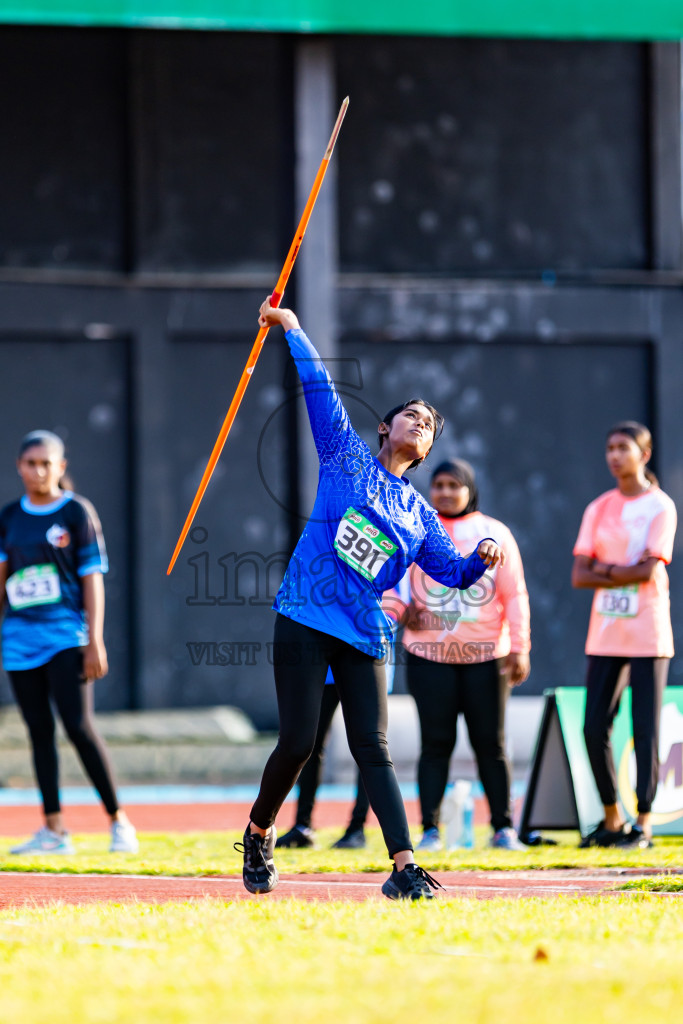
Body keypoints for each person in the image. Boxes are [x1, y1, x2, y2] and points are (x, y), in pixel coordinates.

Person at [234, 298, 505, 901]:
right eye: (410, 415)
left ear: (428, 448)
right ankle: (258, 833)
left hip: (362, 627)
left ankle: (404, 867)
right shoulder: (345, 454)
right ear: (385, 428)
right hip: (305, 610)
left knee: (373, 747)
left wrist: (481, 552)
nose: (419, 423)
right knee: (299, 742)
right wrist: (294, 329)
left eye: (428, 424)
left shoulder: (423, 518)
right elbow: (319, 386)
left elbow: (453, 572)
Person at [0, 430, 138, 855]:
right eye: (30, 463)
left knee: (78, 727)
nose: (38, 470)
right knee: (39, 731)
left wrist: (94, 640)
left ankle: (119, 823)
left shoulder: (77, 513)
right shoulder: (9, 517)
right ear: (19, 467)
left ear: (61, 467)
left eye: (47, 463)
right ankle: (54, 830)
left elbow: (92, 579)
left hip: (66, 635)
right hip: (19, 641)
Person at [384, 458, 530, 852]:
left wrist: (519, 647)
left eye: (454, 485)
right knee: (435, 744)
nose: (445, 493)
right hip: (429, 657)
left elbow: (513, 593)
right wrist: (399, 609)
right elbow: (391, 581)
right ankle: (430, 831)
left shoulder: (493, 532)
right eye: (439, 485)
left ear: (470, 490)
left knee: (491, 744)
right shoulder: (415, 525)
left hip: (487, 658)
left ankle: (503, 829)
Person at [572, 421, 676, 850]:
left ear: (644, 454)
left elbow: (651, 569)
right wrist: (621, 572)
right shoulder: (599, 507)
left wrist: (605, 571)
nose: (614, 455)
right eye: (609, 447)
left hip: (648, 633)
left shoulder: (660, 507)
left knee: (646, 728)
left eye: (623, 448)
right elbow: (579, 575)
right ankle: (613, 818)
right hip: (605, 633)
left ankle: (645, 823)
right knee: (593, 726)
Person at [276, 668, 371, 850]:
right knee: (308, 743)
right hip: (324, 666)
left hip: (363, 658)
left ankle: (357, 828)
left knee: (368, 747)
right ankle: (302, 827)